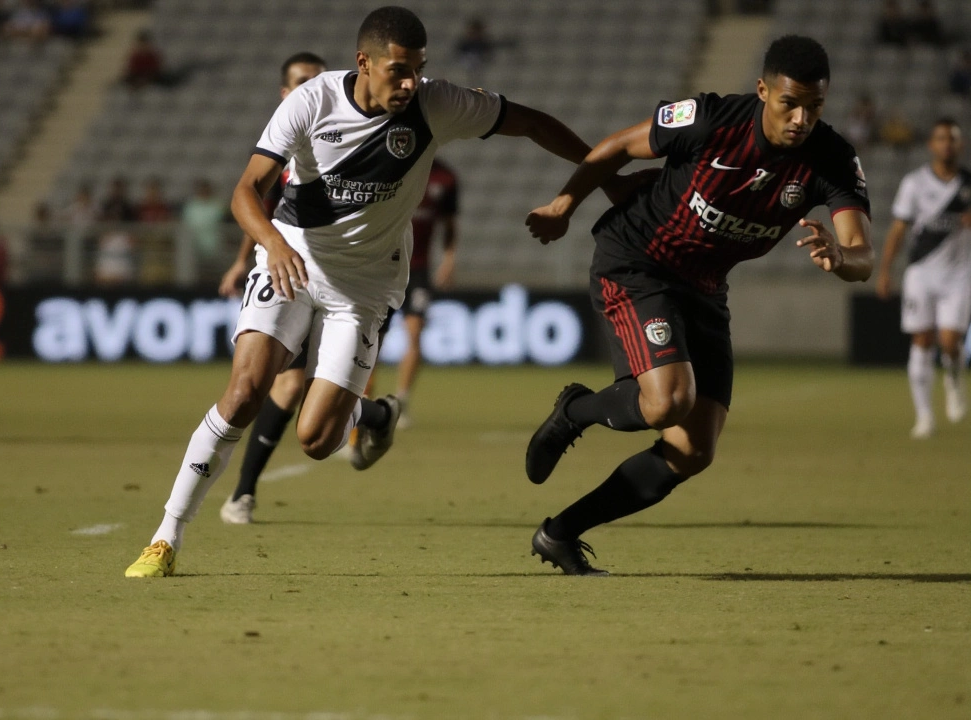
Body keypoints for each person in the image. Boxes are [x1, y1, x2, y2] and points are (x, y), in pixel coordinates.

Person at [126, 6, 642, 577]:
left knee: (318, 439)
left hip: (365, 289)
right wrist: (272, 244)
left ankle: (373, 417)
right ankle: (165, 537)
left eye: (418, 69)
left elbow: (535, 123)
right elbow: (246, 190)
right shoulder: (310, 101)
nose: (409, 83)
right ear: (363, 62)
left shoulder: (436, 104)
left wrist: (606, 179)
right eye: (398, 70)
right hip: (291, 262)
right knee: (247, 391)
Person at [523, 36, 873, 576]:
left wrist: (840, 257)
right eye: (790, 103)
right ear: (763, 91)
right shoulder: (711, 119)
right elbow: (617, 146)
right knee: (667, 404)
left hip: (705, 287)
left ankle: (560, 532)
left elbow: (863, 255)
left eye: (815, 106)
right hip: (638, 261)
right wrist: (564, 205)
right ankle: (574, 412)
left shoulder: (830, 158)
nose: (802, 118)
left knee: (693, 450)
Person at [218, 51, 328, 525]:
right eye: (302, 82)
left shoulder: (343, 140)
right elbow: (257, 208)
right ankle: (242, 492)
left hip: (346, 277)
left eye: (318, 81)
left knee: (322, 395)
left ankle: (374, 418)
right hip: (292, 275)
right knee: (285, 385)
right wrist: (243, 261)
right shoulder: (279, 146)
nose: (311, 89)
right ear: (285, 93)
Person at [876, 118, 970, 438]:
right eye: (941, 138)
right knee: (922, 340)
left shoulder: (968, 184)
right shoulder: (915, 183)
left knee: (949, 341)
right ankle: (925, 416)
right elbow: (899, 229)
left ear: (961, 145)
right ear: (931, 145)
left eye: (953, 139)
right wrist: (886, 271)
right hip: (921, 272)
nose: (947, 144)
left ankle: (954, 378)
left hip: (959, 273)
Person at [392, 157, 459, 427]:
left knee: (415, 332)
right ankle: (360, 400)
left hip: (418, 270)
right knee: (370, 337)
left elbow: (450, 224)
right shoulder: (394, 166)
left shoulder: (446, 178)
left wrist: (449, 260)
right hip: (384, 265)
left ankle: (401, 401)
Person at [181, 179, 228, 275]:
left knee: (215, 275)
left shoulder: (218, 206)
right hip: (194, 248)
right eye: (201, 189)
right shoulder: (191, 207)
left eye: (205, 189)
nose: (203, 191)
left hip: (215, 247)